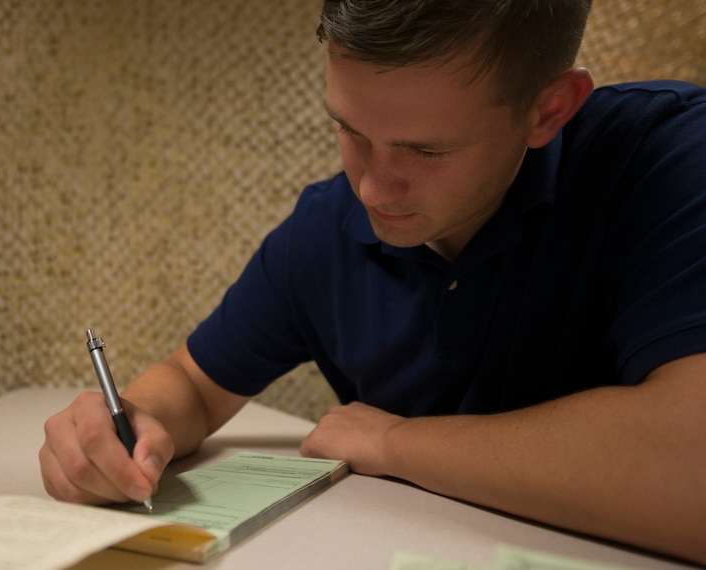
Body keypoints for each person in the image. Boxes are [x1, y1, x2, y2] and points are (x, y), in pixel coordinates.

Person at [40, 0, 706, 564]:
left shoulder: (666, 160)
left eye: (426, 150)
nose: (372, 187)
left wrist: (395, 442)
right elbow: (191, 383)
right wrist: (131, 424)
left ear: (548, 110)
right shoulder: (325, 228)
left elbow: (691, 465)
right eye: (350, 130)